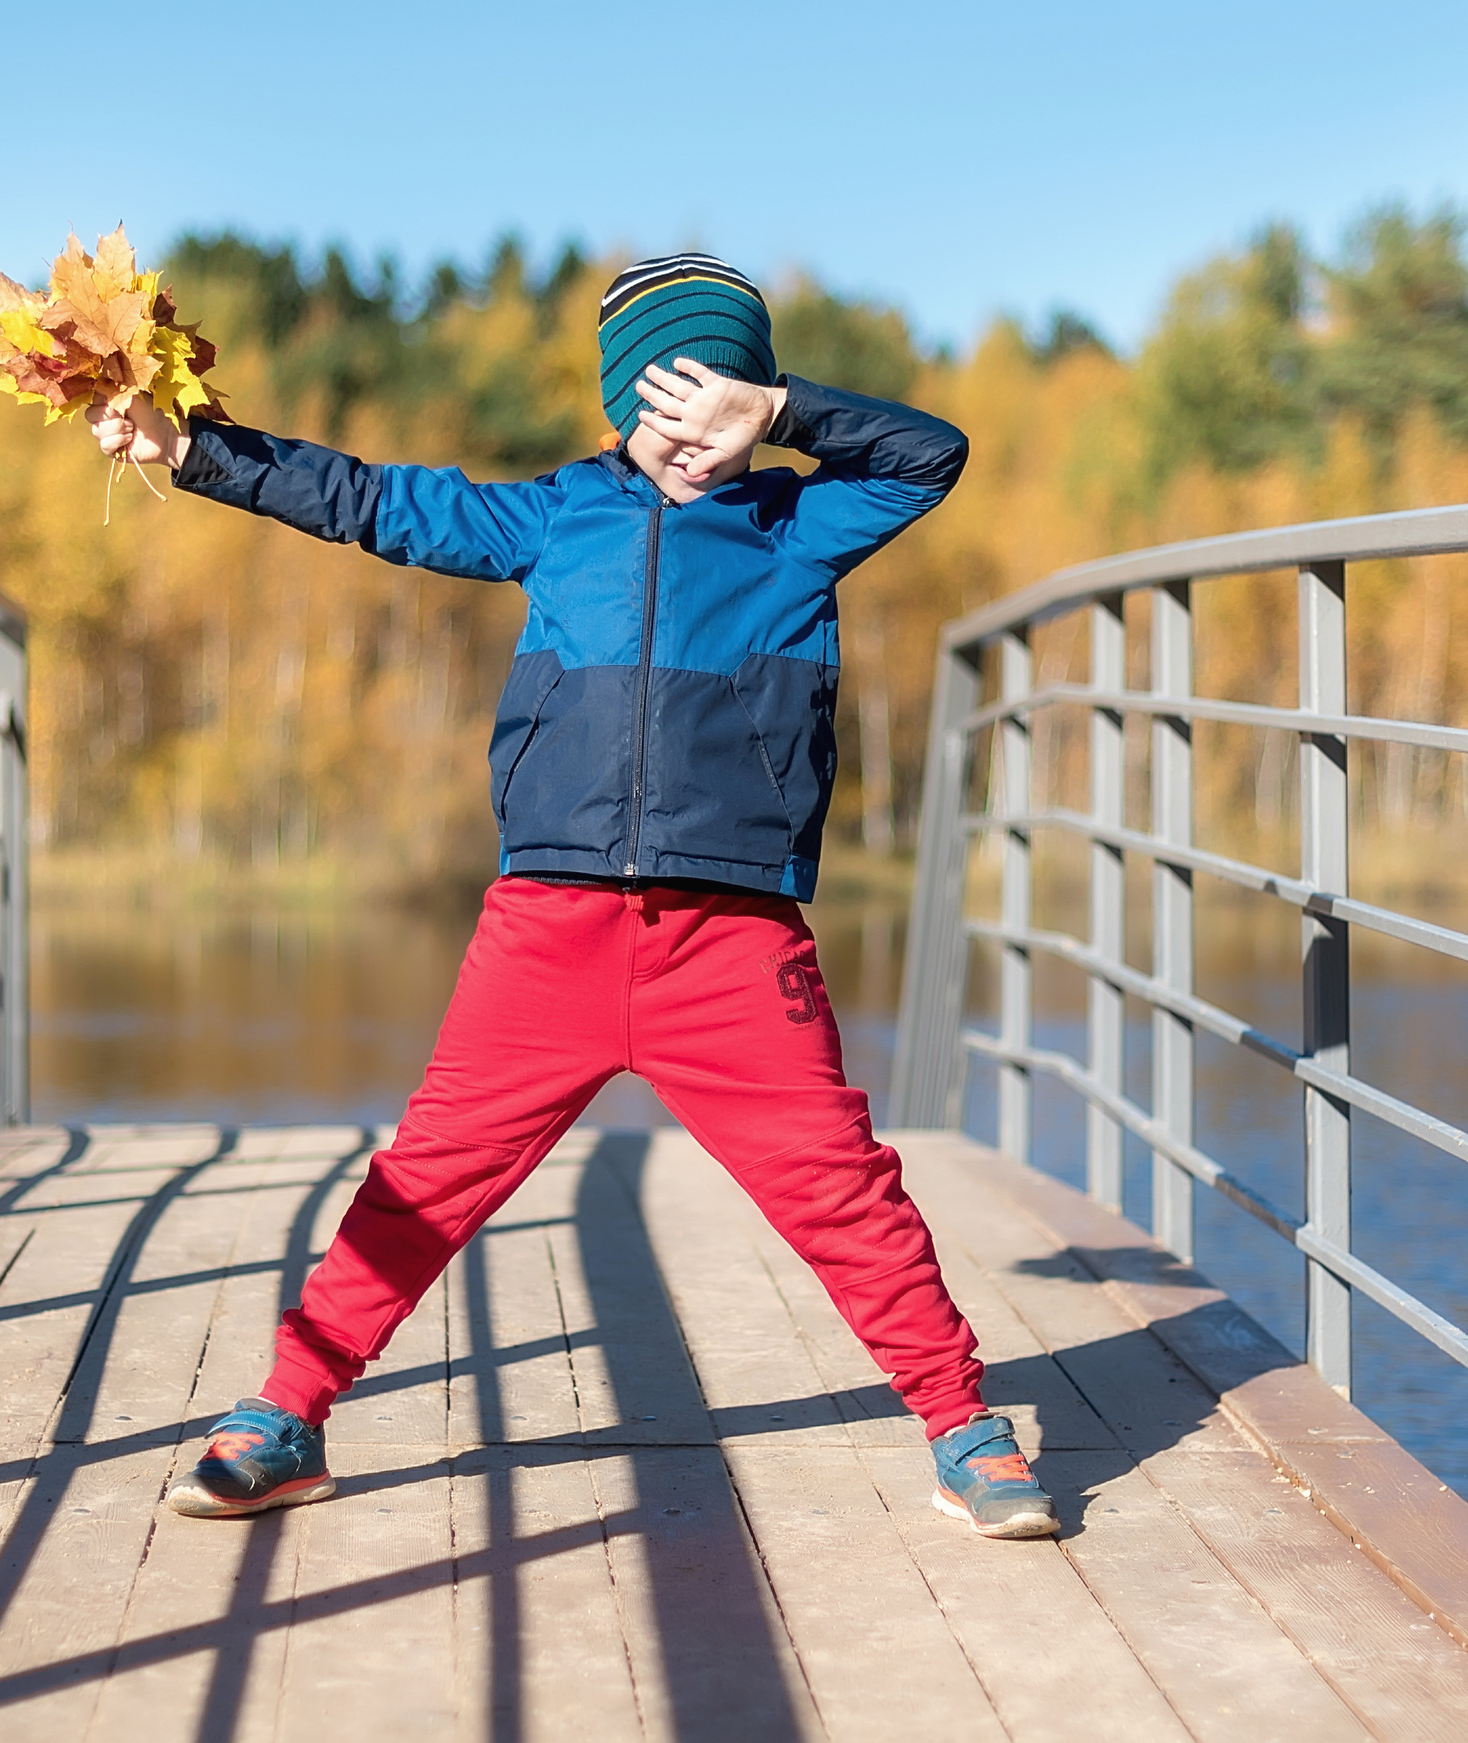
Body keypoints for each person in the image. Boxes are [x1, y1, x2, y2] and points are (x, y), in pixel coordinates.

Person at [88, 253, 1058, 1540]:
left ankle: (960, 1424)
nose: (692, 430)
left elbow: (929, 455)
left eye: (720, 402)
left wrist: (780, 415)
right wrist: (192, 448)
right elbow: (367, 501)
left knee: (838, 1187)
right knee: (422, 1183)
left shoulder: (799, 525)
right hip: (548, 933)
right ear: (619, 406)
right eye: (665, 402)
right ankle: (288, 1411)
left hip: (729, 940)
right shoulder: (555, 517)